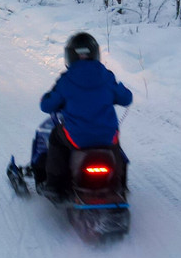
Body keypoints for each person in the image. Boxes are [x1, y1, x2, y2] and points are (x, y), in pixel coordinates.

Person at [37, 32, 132, 198]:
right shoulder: (106, 76)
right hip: (105, 137)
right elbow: (126, 98)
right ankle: (120, 183)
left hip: (77, 138)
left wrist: (50, 98)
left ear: (70, 56)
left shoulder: (66, 79)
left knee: (55, 137)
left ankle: (54, 184)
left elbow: (47, 106)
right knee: (115, 143)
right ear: (95, 53)